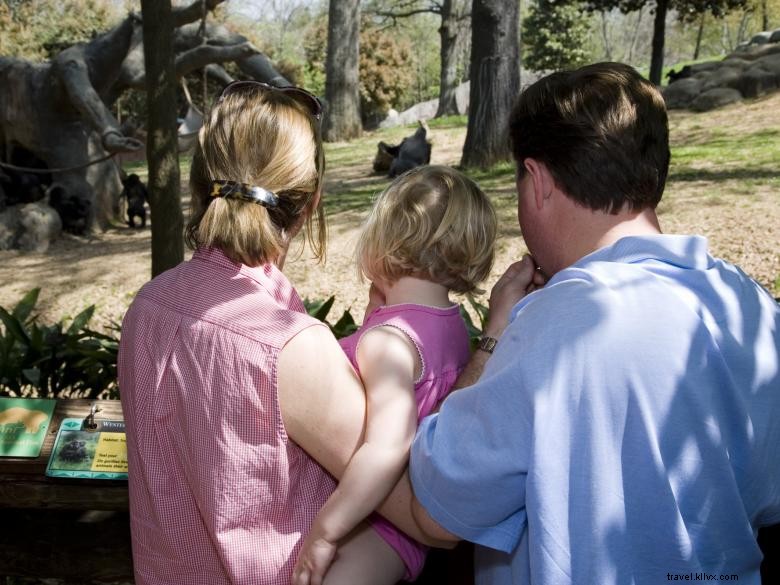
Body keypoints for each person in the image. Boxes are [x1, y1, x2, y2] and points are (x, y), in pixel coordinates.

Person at [407, 62, 780, 584]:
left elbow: (438, 507)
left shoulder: (562, 321)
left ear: (537, 181)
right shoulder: (750, 302)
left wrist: (494, 336)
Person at [117, 81, 448, 585]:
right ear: (311, 203)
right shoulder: (289, 348)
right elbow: (432, 521)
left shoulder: (147, 307)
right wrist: (484, 350)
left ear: (198, 188)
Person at [292, 165, 497, 585]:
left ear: (385, 240)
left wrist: (326, 530)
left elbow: (389, 446)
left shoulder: (388, 342)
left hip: (376, 526)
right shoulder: (451, 325)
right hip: (398, 523)